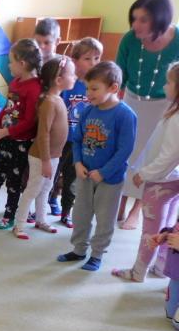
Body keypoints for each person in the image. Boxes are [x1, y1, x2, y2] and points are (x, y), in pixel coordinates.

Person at [57, 62, 137, 271]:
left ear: (113, 87)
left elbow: (125, 150)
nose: (88, 93)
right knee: (80, 214)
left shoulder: (125, 115)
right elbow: (77, 140)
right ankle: (79, 249)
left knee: (104, 218)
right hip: (84, 174)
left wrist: (104, 172)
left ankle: (97, 254)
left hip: (110, 179)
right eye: (87, 88)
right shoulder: (87, 111)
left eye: (94, 88)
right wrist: (77, 163)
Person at [116, 0, 179, 230]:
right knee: (127, 152)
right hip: (132, 100)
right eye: (134, 18)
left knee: (151, 156)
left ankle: (137, 209)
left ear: (160, 19)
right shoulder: (129, 39)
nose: (136, 25)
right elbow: (118, 76)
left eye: (143, 20)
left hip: (165, 105)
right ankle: (120, 202)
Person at [111, 61, 179, 281]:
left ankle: (138, 272)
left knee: (151, 229)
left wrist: (145, 173)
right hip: (172, 179)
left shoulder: (176, 118)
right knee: (166, 226)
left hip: (162, 181)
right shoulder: (173, 113)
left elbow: (169, 155)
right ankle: (160, 267)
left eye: (169, 82)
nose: (165, 86)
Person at [12, 56, 77, 239]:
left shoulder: (58, 99)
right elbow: (43, 134)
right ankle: (19, 225)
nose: (75, 77)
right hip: (41, 157)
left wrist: (52, 158)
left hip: (53, 156)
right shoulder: (49, 102)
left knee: (46, 188)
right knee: (33, 189)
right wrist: (46, 161)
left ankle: (41, 219)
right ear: (59, 80)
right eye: (72, 74)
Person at [0, 39, 42, 229]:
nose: (8, 65)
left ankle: (9, 216)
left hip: (20, 143)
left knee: (14, 181)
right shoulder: (15, 83)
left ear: (22, 63)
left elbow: (30, 121)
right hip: (5, 139)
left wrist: (5, 131)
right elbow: (8, 108)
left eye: (11, 62)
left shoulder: (35, 88)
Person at [48, 37, 103, 226]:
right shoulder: (68, 83)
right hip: (61, 139)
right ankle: (48, 200)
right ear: (75, 60)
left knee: (73, 178)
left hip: (81, 142)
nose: (93, 63)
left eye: (97, 58)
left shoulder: (96, 86)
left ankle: (66, 211)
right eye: (88, 58)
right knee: (52, 174)